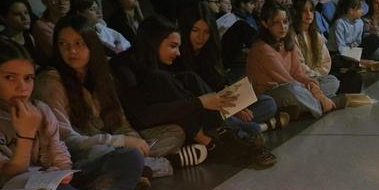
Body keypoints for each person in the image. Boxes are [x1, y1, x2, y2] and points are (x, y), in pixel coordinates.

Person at [0, 38, 102, 190]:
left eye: (28, 78)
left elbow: (59, 154)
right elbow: (4, 179)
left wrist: (60, 174)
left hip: (43, 184)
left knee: (124, 158)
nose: (22, 87)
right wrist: (25, 135)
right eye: (10, 78)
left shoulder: (40, 109)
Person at [112, 16, 273, 168]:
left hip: (198, 119)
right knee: (162, 79)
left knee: (189, 78)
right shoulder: (124, 67)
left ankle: (222, 133)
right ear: (154, 42)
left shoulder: (155, 60)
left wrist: (224, 102)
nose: (178, 53)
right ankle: (213, 140)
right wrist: (201, 102)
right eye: (173, 46)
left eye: (207, 32)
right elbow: (142, 116)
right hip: (144, 131)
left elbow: (202, 88)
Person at [34, 15, 178, 186]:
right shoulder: (51, 82)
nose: (71, 51)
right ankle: (157, 166)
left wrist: (135, 141)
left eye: (79, 43)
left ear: (91, 44)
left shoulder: (102, 74)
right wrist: (122, 142)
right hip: (82, 152)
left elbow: (120, 121)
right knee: (101, 152)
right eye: (63, 44)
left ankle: (134, 169)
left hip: (113, 144)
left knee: (174, 133)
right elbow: (65, 140)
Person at [177, 3, 281, 134]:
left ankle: (240, 130)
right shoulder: (177, 54)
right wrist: (228, 108)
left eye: (206, 32)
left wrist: (237, 106)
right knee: (219, 120)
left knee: (268, 103)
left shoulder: (209, 52)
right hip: (204, 108)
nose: (201, 37)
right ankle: (257, 128)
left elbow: (220, 85)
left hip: (224, 104)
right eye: (195, 31)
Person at [247, 0, 339, 119]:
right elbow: (286, 80)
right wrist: (319, 96)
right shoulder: (262, 48)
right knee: (293, 90)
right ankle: (322, 106)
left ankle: (305, 107)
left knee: (331, 80)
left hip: (294, 86)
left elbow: (298, 73)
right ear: (265, 23)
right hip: (272, 92)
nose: (283, 27)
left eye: (285, 22)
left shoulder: (288, 42)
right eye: (276, 22)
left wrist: (315, 89)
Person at [290, 0, 343, 96]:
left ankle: (313, 98)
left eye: (311, 10)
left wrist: (316, 75)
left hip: (317, 78)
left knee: (333, 81)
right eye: (304, 11)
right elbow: (298, 65)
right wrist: (311, 76)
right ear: (297, 12)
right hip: (300, 79)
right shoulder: (292, 35)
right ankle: (316, 97)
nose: (309, 14)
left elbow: (326, 62)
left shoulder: (316, 35)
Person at [31, 0, 70, 64]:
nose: (61, 2)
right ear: (44, 1)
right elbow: (56, 53)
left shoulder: (74, 21)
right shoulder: (41, 25)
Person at [0, 0, 39, 64]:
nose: (24, 17)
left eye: (26, 13)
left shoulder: (29, 38)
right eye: (17, 14)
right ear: (3, 18)